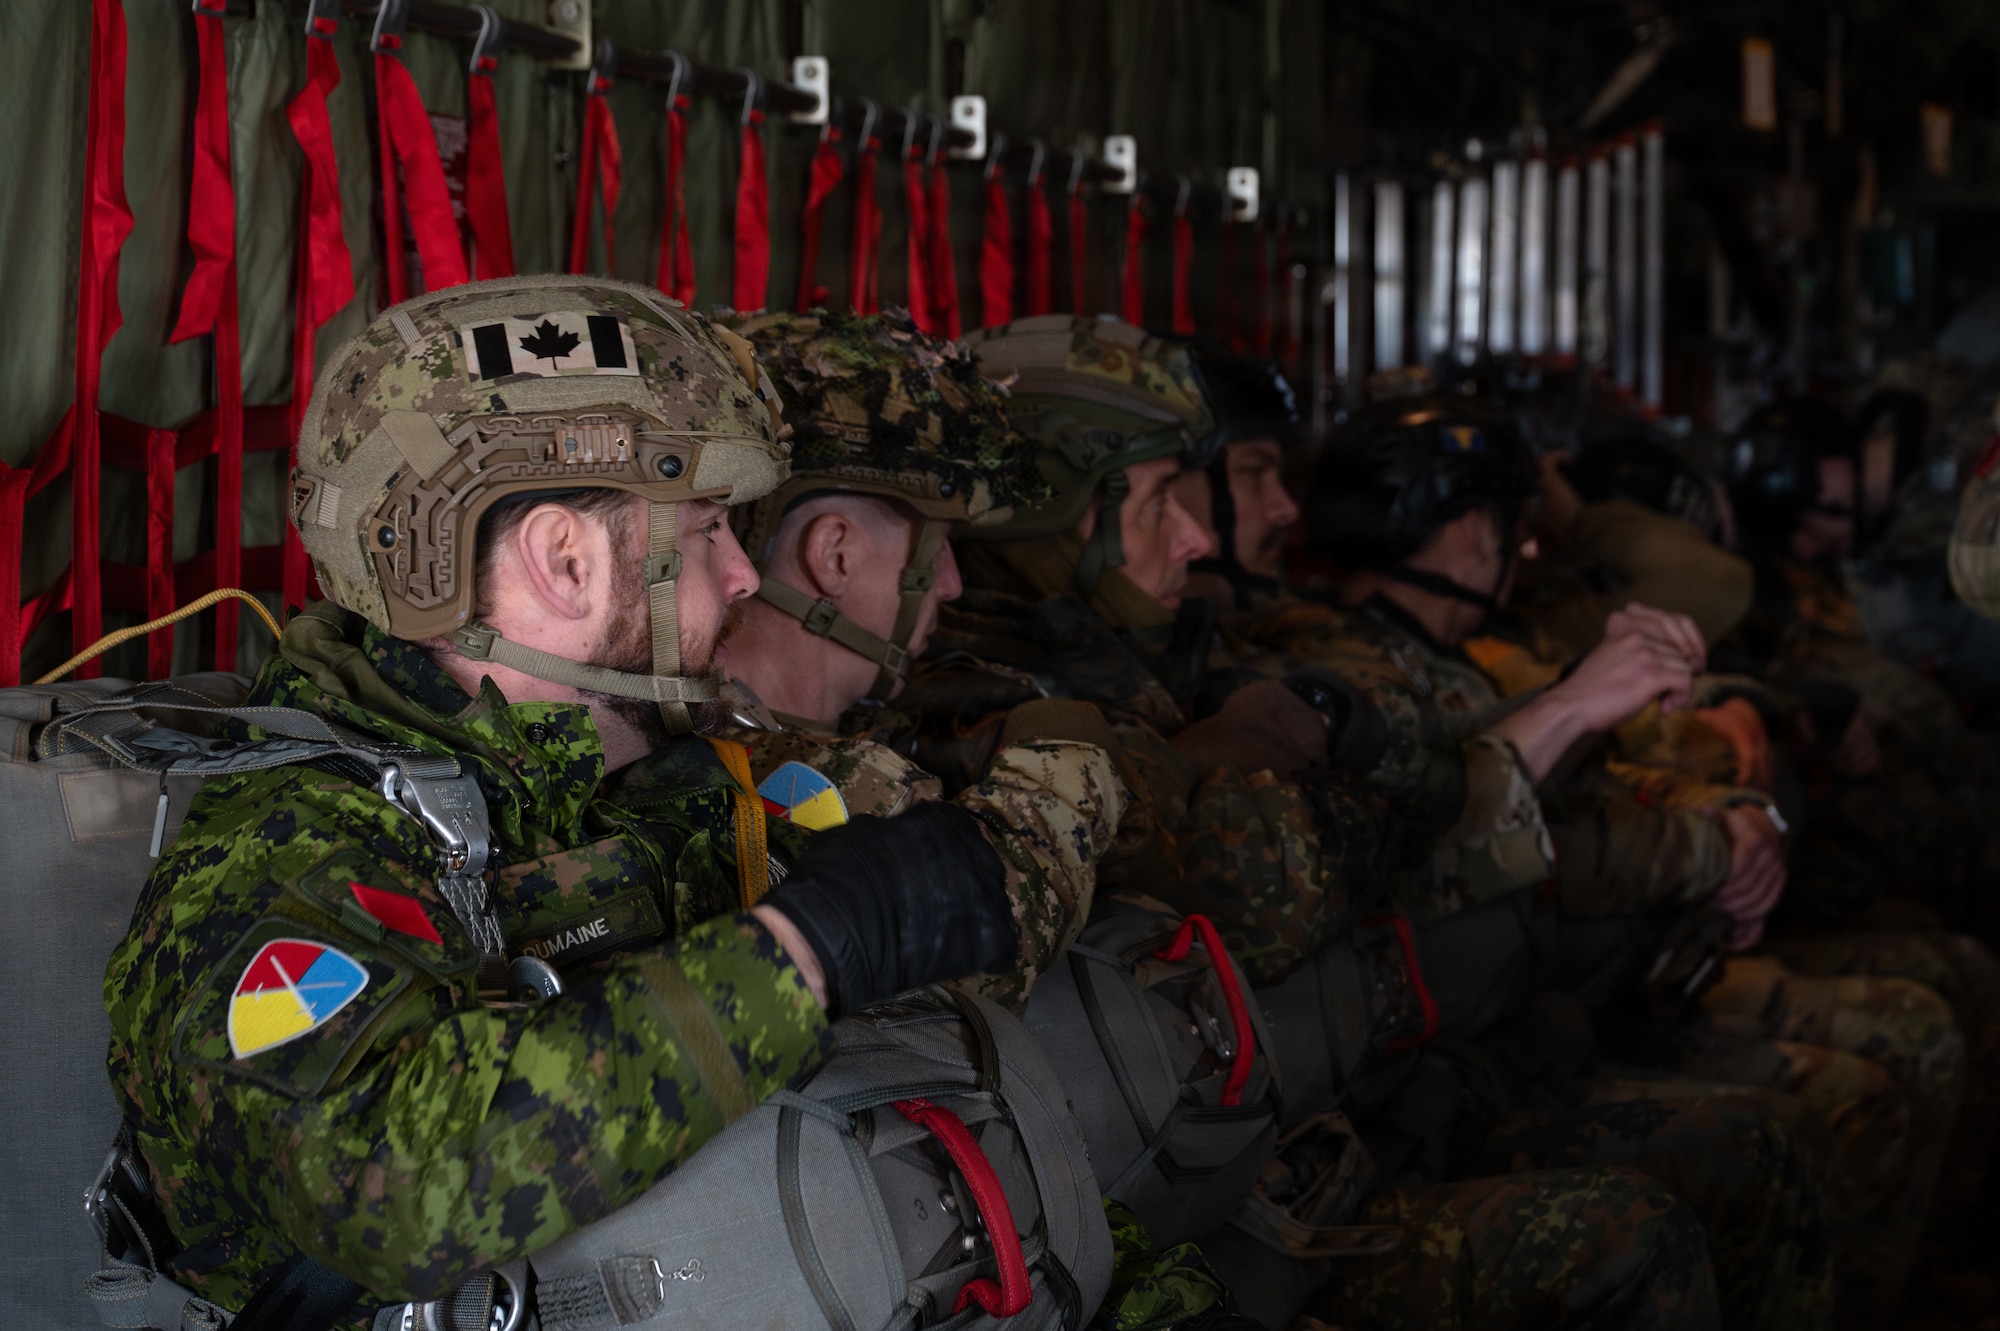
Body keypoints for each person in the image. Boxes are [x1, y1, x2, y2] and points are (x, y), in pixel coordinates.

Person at [101, 278, 1027, 1322]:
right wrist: (807, 950)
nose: (738, 575)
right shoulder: (280, 854)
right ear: (565, 561)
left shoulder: (637, 783)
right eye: (709, 529)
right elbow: (401, 1180)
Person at [895, 316, 1735, 1331]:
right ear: (1058, 512)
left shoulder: (1150, 664)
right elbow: (1278, 884)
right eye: (1167, 498)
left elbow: (1402, 793)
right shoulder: (982, 710)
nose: (1204, 534)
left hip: (1287, 1154)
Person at [1244, 393, 1964, 1322]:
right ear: (1471, 531)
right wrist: (1715, 839)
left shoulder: (1467, 650)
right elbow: (1540, 835)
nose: (1531, 547)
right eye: (1516, 523)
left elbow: (1611, 769)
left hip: (1554, 1007)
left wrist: (1735, 800)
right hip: (1457, 1056)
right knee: (1775, 1131)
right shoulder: (1353, 673)